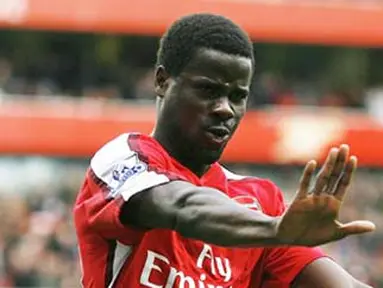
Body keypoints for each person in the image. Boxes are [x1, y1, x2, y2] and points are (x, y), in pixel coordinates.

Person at [73, 13, 376, 288]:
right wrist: (274, 229)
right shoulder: (121, 160)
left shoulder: (260, 202)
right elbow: (183, 206)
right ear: (162, 81)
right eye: (208, 90)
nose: (224, 109)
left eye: (237, 96)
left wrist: (275, 228)